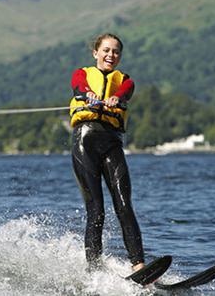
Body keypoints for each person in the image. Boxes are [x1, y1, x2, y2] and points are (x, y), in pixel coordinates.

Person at [69, 33, 145, 273]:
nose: (111, 55)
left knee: (124, 203)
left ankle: (138, 266)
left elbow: (126, 91)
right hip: (85, 140)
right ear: (96, 53)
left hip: (112, 142)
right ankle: (94, 270)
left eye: (115, 52)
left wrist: (116, 98)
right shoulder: (81, 73)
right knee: (96, 209)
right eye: (106, 50)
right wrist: (88, 95)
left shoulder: (125, 80)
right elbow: (78, 86)